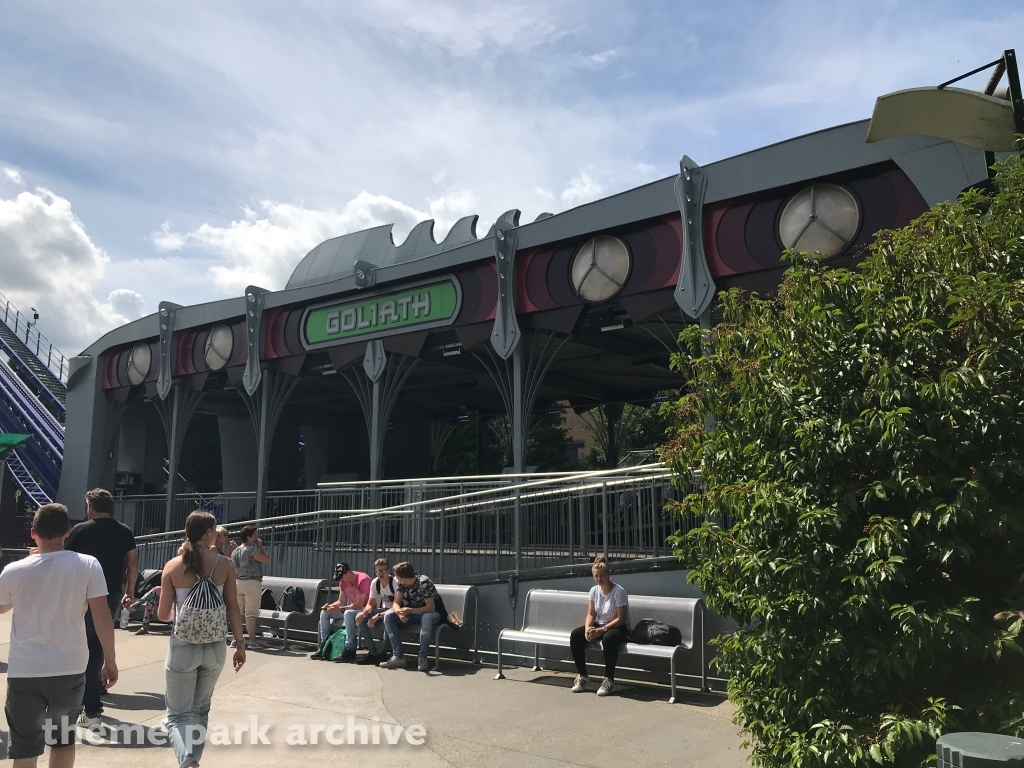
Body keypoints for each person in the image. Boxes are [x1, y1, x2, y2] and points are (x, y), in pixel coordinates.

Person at [0, 503, 118, 768]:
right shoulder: (88, 565)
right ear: (67, 531)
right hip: (69, 667)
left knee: (24, 747)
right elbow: (102, 615)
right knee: (63, 740)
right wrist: (109, 659)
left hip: (25, 670)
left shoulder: (14, 571)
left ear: (33, 533)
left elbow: (2, 607)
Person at [157, 511, 245, 768]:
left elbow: (163, 615)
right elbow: (233, 608)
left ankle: (188, 760)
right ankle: (194, 759)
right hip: (216, 648)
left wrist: (182, 613)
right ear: (208, 532)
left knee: (177, 716)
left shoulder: (173, 566)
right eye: (215, 529)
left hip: (183, 647)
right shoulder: (225, 564)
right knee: (200, 710)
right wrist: (240, 645)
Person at [64, 488, 137, 724]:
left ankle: (91, 704)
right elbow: (133, 563)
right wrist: (130, 591)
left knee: (85, 643)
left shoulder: (79, 531)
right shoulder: (124, 531)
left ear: (91, 507)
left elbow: (64, 560)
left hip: (83, 592)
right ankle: (96, 684)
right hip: (112, 589)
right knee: (99, 639)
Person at [569, 555, 630, 696]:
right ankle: (583, 676)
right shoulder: (594, 591)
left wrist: (603, 630)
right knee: (576, 635)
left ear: (608, 574)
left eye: (602, 576)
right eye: (596, 576)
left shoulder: (619, 592)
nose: (599, 579)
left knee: (608, 639)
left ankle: (609, 679)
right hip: (600, 624)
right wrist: (587, 629)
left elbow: (621, 618)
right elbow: (591, 614)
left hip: (617, 627)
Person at [380, 561, 440, 672]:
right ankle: (398, 656)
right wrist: (399, 612)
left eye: (398, 577)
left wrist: (409, 611)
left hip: (431, 614)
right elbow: (396, 603)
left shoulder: (424, 583)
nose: (396, 579)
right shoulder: (402, 584)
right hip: (412, 613)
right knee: (389, 616)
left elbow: (430, 608)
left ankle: (422, 656)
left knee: (426, 618)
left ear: (404, 577)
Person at [310, 563, 369, 661]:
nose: (341, 581)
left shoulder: (363, 579)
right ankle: (325, 646)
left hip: (365, 609)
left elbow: (359, 604)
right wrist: (330, 606)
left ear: (348, 572)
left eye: (342, 578)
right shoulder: (343, 582)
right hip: (351, 609)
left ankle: (350, 648)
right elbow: (340, 601)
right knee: (325, 613)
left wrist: (341, 608)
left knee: (347, 613)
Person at [348, 558, 396, 666]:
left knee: (389, 618)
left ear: (388, 571)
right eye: (378, 571)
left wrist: (377, 616)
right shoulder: (375, 582)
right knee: (360, 619)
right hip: (384, 609)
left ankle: (383, 653)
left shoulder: (394, 582)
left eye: (383, 571)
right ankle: (372, 652)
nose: (381, 574)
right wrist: (364, 612)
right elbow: (370, 603)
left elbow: (397, 606)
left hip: (395, 611)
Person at [229, 524, 270, 650]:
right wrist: (261, 547)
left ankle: (236, 640)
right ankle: (253, 641)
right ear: (249, 537)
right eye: (254, 535)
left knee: (238, 613)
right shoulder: (251, 549)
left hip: (238, 582)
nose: (256, 538)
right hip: (252, 582)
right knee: (250, 614)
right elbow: (266, 559)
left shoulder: (236, 551)